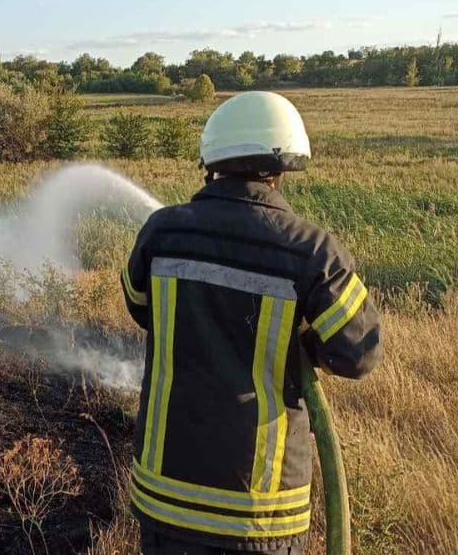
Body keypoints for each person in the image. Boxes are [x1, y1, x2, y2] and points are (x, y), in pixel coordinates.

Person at [120, 91, 383, 554]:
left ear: (212, 162)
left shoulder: (162, 232)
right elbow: (359, 353)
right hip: (258, 511)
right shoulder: (312, 252)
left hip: (166, 498)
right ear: (282, 169)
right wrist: (301, 335)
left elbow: (139, 305)